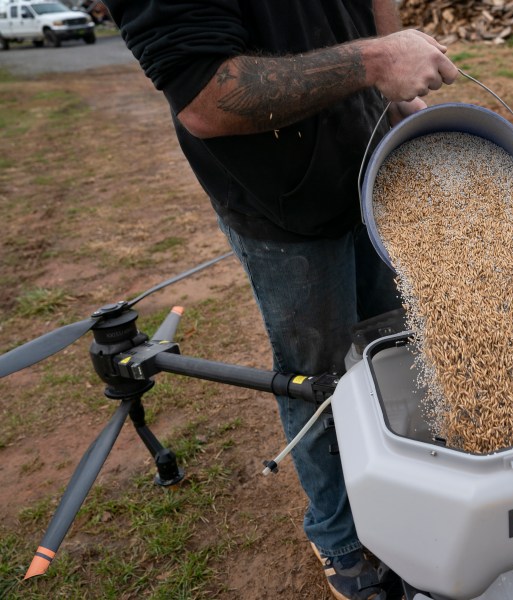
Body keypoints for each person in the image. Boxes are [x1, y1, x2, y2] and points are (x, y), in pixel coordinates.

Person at [102, 2, 458, 598]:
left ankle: (408, 490)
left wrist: (387, 81)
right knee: (316, 377)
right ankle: (341, 537)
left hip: (370, 163)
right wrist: (374, 60)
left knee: (394, 339)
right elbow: (206, 99)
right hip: (281, 200)